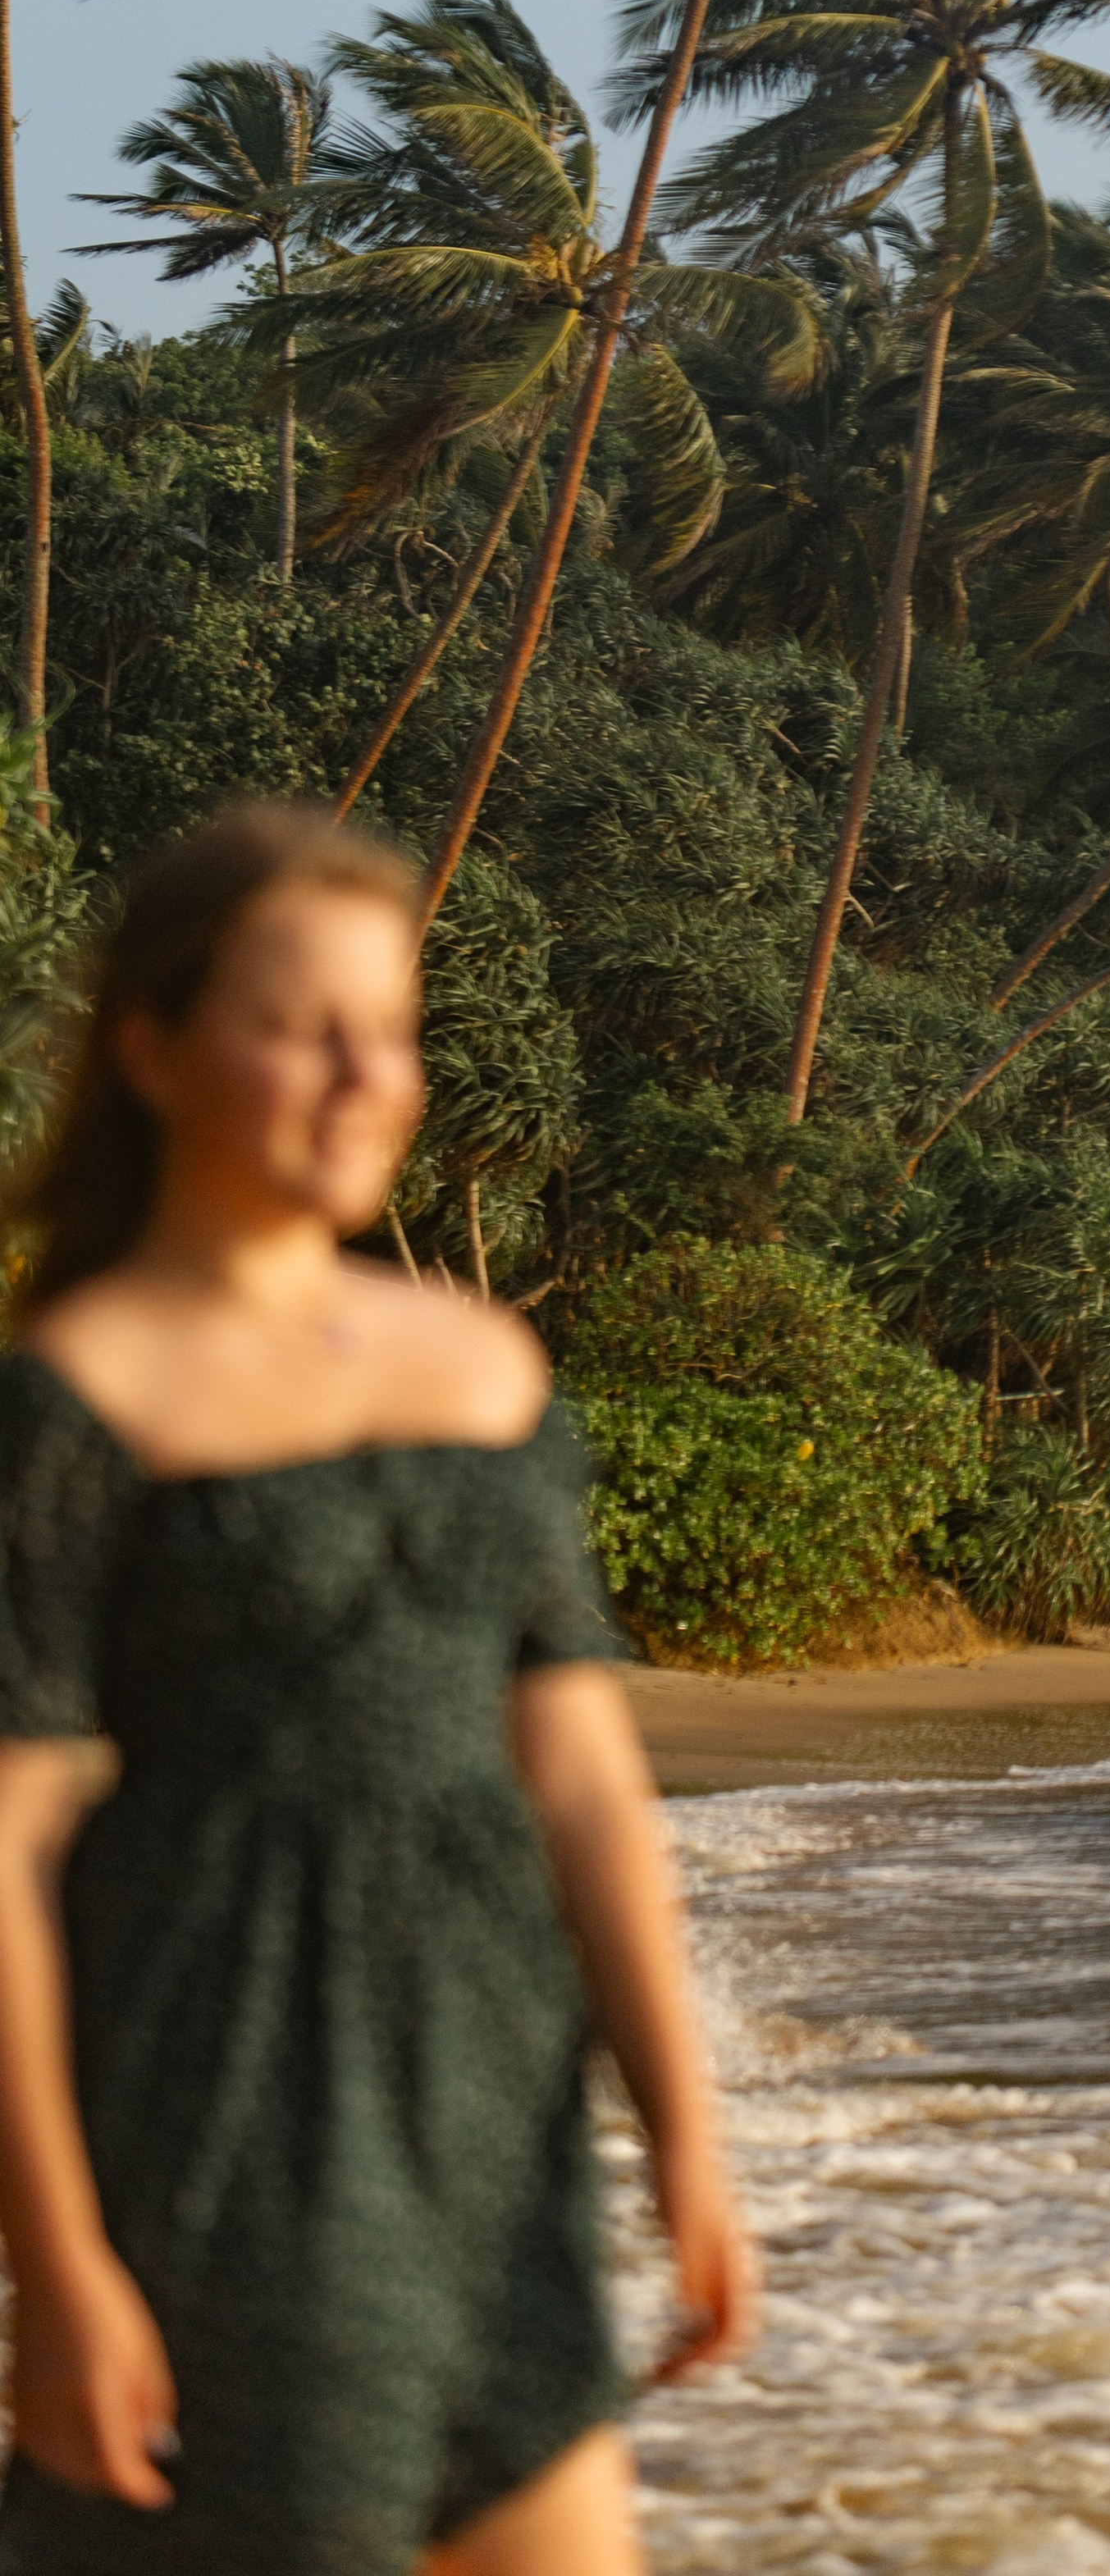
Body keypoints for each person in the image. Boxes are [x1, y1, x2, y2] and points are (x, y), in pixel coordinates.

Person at [0, 803, 756, 2575]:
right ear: (155, 1050)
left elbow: (582, 1782)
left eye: (393, 1031)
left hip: (494, 2127)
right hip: (232, 2117)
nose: (366, 1078)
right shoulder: (74, 1399)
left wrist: (686, 2143)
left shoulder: (486, 1371)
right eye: (303, 1029)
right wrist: (59, 2268)